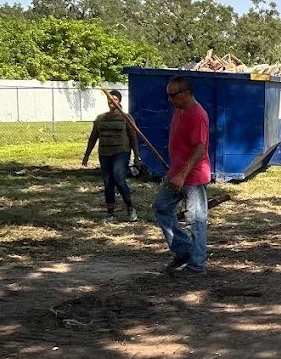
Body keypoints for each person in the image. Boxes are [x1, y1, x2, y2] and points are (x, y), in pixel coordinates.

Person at [154, 75, 211, 276]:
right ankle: (183, 250)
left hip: (193, 177)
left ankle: (197, 265)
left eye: (173, 95)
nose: (169, 99)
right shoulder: (179, 109)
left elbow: (199, 148)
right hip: (175, 174)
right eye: (168, 95)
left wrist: (182, 175)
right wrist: (174, 173)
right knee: (161, 208)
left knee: (196, 220)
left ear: (186, 93)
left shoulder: (198, 115)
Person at [82, 89, 142, 222]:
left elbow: (133, 138)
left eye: (114, 99)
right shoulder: (100, 119)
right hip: (104, 153)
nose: (111, 101)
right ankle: (111, 213)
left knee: (119, 178)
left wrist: (137, 157)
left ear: (119, 101)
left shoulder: (126, 118)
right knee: (108, 182)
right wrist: (87, 155)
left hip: (121, 152)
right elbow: (93, 137)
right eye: (110, 98)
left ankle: (130, 207)